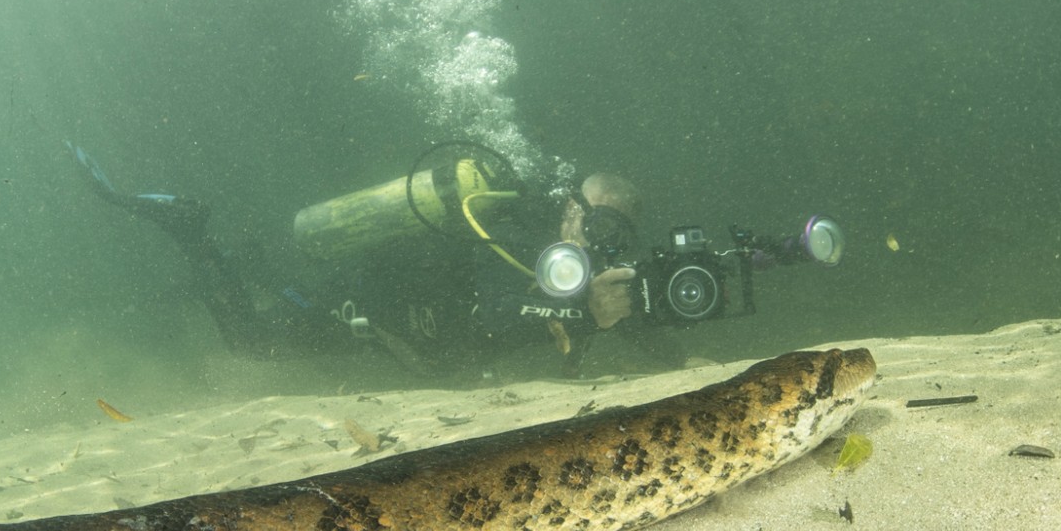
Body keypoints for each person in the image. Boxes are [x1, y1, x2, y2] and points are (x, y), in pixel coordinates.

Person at [67, 142, 641, 378]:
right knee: (252, 343)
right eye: (600, 221)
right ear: (569, 207)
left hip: (385, 306)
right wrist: (585, 316)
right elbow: (492, 316)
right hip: (365, 305)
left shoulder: (548, 253)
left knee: (279, 300)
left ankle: (249, 263)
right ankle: (193, 236)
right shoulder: (518, 236)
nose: (603, 240)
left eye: (620, 234)